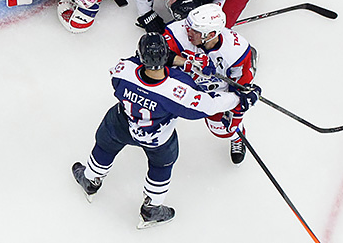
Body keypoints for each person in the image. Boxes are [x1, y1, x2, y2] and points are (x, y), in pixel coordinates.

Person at [71, 32, 260, 228]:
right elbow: (208, 105)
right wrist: (241, 98)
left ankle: (90, 180)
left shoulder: (123, 70)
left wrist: (185, 63)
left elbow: (125, 70)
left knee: (105, 146)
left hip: (121, 123)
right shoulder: (178, 89)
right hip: (157, 137)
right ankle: (152, 209)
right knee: (161, 167)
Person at [162, 4, 257, 164]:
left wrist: (234, 116)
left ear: (211, 34)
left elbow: (240, 89)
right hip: (183, 84)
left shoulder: (236, 50)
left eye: (195, 31)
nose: (188, 31)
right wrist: (186, 62)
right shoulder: (177, 32)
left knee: (221, 129)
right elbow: (153, 56)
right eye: (188, 25)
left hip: (216, 91)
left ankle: (236, 135)